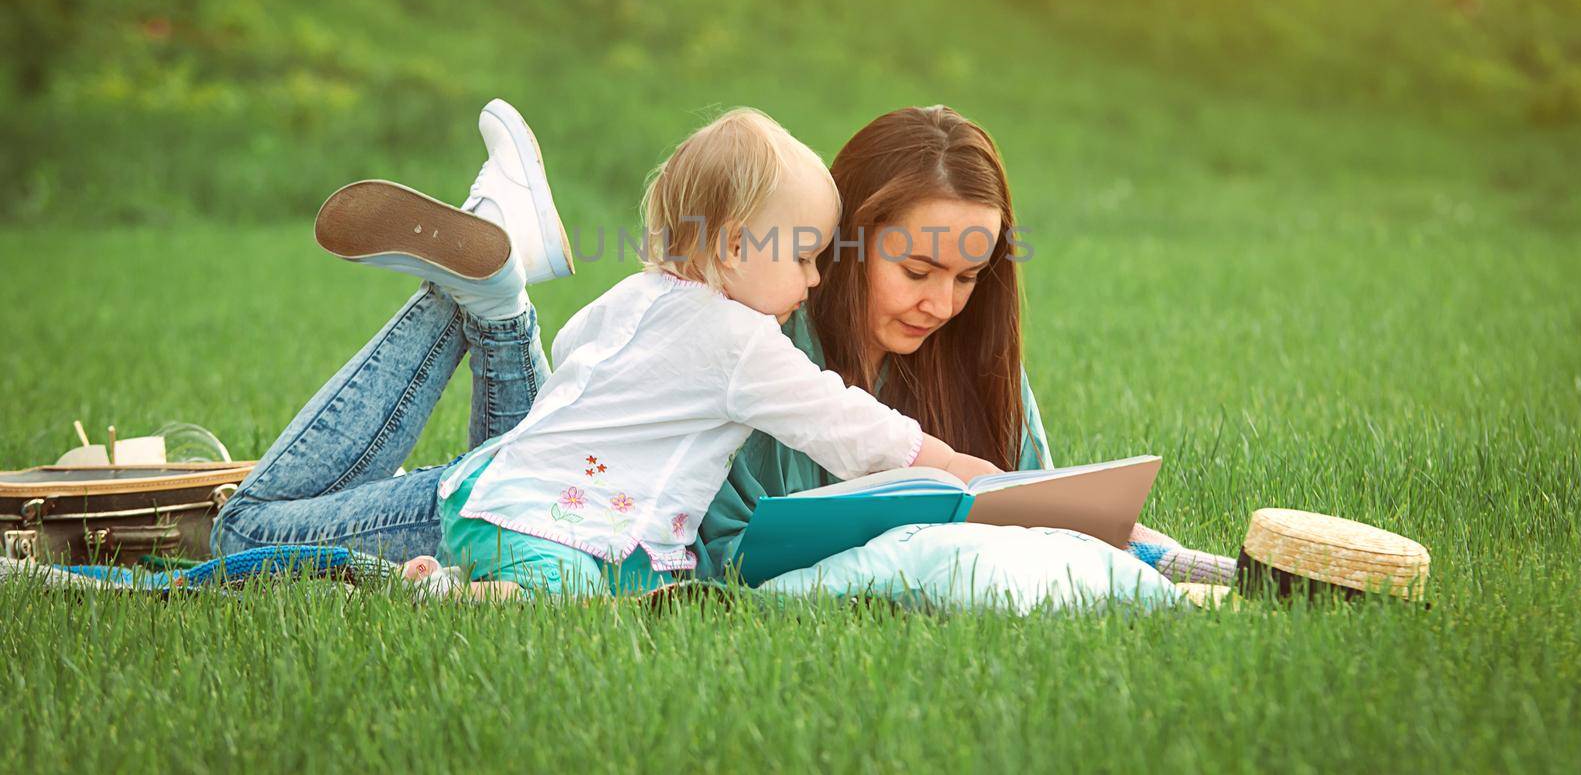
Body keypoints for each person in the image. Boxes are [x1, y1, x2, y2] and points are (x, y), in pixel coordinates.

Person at [214, 102, 995, 599]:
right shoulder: (743, 340)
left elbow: (577, 346)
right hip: (545, 514)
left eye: (967, 275)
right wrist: (955, 465)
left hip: (523, 484)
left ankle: (499, 292)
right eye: (803, 256)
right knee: (243, 536)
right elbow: (845, 423)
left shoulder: (645, 294)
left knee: (553, 555)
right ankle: (494, 295)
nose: (816, 275)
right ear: (730, 245)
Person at [693, 105, 1235, 587]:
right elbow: (713, 552)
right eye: (917, 271)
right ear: (842, 242)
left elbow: (1042, 518)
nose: (943, 305)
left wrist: (1167, 555)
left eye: (968, 277)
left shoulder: (974, 356)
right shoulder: (760, 356)